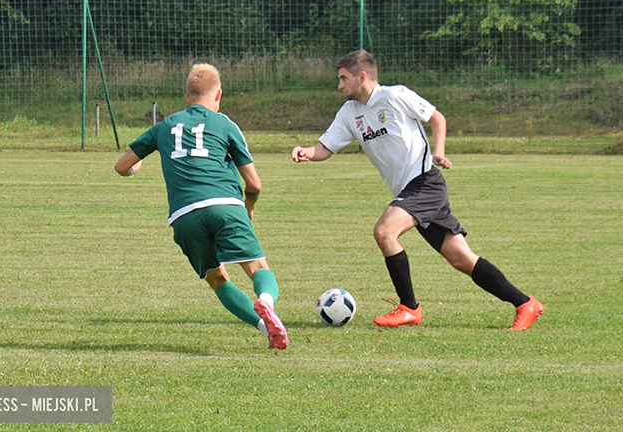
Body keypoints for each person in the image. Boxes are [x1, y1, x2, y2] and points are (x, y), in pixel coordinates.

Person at [291, 49, 543, 330]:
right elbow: (325, 147)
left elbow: (437, 118)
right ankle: (525, 303)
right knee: (462, 259)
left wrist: (439, 151)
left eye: (343, 78)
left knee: (384, 231)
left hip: (424, 182)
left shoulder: (395, 95)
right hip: (411, 190)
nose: (339, 86)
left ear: (362, 77)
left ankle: (409, 308)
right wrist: (306, 151)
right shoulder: (350, 113)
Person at [115, 63, 288, 349]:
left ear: (187, 97)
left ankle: (264, 327)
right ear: (218, 94)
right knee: (257, 267)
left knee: (218, 279)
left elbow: (122, 167)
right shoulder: (225, 125)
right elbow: (254, 184)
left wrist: (136, 168)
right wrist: (249, 207)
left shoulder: (164, 126)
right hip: (225, 206)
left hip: (184, 216)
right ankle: (266, 303)